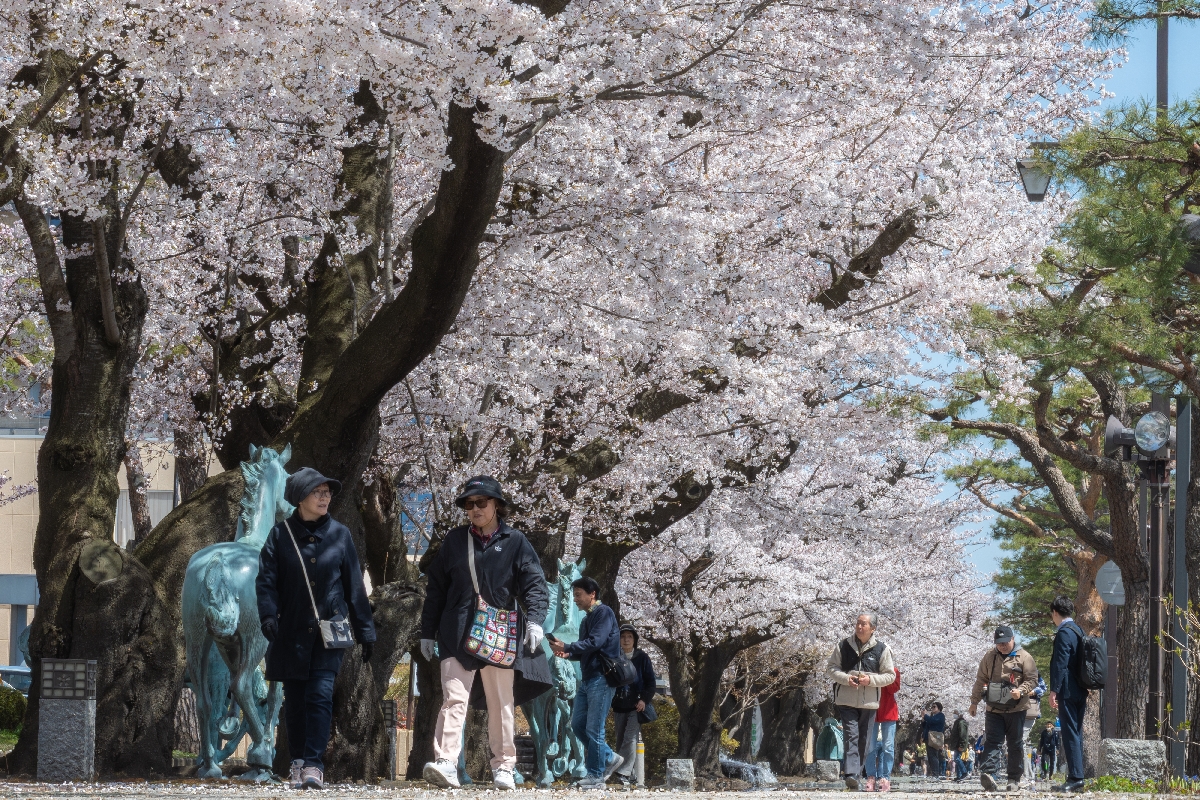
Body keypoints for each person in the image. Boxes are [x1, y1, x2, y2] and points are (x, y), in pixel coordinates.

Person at [419, 476, 552, 790]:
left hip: (499, 632)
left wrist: (534, 620)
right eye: (469, 503)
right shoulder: (453, 541)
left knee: (501, 701)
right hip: (456, 631)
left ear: (497, 505)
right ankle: (446, 763)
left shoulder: (516, 541)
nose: (475, 508)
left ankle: (504, 766)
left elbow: (535, 585)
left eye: (481, 502)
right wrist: (428, 631)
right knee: (453, 699)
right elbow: (436, 589)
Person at [256, 467, 376, 790]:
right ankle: (297, 761)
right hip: (290, 633)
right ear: (299, 499)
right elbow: (265, 581)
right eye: (317, 492)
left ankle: (313, 765)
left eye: (327, 492)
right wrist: (268, 615)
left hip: (329, 634)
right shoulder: (280, 536)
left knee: (320, 695)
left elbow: (354, 587)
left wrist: (366, 632)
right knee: (294, 700)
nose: (325, 497)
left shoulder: (340, 535)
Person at [549, 576, 623, 788]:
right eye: (573, 596)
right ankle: (609, 758)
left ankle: (596, 776)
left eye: (578, 595)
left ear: (593, 594)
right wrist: (566, 653)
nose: (575, 600)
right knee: (577, 725)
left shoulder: (604, 613)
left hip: (602, 678)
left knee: (594, 729)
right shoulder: (585, 620)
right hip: (588, 678)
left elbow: (596, 642)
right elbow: (586, 650)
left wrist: (569, 646)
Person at [825, 613, 897, 790]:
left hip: (869, 702)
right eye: (857, 623)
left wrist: (870, 680)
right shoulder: (843, 645)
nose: (859, 627)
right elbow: (831, 668)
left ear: (873, 628)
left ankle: (857, 774)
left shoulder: (882, 649)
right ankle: (850, 774)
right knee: (851, 735)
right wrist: (845, 678)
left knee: (864, 740)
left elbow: (890, 676)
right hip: (846, 699)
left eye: (863, 624)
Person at [970, 624, 1038, 793]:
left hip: (1017, 708)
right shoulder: (989, 657)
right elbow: (980, 680)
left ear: (1012, 639)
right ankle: (989, 775)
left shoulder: (1024, 657)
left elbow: (1032, 679)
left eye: (1005, 642)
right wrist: (974, 702)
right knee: (992, 741)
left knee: (1015, 743)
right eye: (999, 642)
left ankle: (1013, 779)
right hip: (994, 709)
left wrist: (1021, 690)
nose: (1002, 645)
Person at [1049, 596, 1088, 792]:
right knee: (1076, 732)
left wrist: (1054, 689)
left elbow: (1060, 662)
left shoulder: (1064, 632)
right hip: (1081, 688)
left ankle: (1076, 778)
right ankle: (1077, 776)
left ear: (1055, 612)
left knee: (1070, 733)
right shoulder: (1079, 630)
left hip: (1067, 689)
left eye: (1052, 615)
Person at [611, 624, 657, 785]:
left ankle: (621, 772)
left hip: (636, 705)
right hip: (618, 703)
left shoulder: (642, 658)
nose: (626, 640)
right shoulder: (614, 657)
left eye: (629, 637)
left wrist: (644, 699)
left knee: (630, 738)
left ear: (634, 640)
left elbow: (651, 683)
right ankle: (630, 775)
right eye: (623, 637)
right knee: (620, 739)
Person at [864, 667, 900, 792]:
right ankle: (871, 776)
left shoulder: (893, 670)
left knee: (888, 746)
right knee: (870, 747)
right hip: (871, 711)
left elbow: (894, 688)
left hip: (889, 711)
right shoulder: (870, 669)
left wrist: (883, 678)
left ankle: (885, 777)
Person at [920, 702, 946, 779]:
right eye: (932, 707)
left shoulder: (941, 716)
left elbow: (932, 721)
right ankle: (933, 773)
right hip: (929, 738)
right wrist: (923, 719)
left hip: (935, 738)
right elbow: (925, 725)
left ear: (939, 708)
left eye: (934, 707)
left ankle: (936, 774)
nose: (932, 708)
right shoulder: (932, 716)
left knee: (934, 756)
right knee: (930, 756)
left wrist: (925, 715)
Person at [947, 709, 969, 780]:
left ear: (959, 714)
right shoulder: (958, 722)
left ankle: (964, 772)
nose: (954, 714)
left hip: (959, 744)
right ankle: (959, 776)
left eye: (955, 713)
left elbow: (962, 735)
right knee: (957, 759)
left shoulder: (961, 723)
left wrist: (961, 745)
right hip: (956, 744)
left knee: (957, 759)